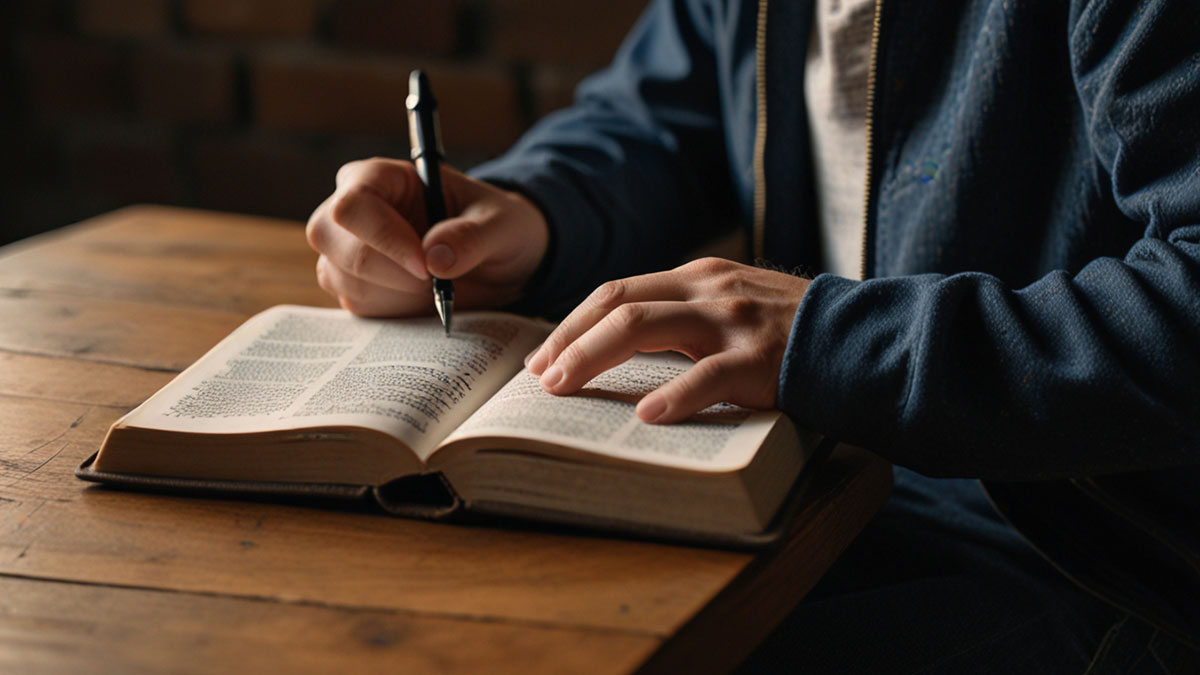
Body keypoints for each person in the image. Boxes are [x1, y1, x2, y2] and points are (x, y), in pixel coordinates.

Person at [306, 0, 1200, 670]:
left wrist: (829, 340)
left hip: (1093, 555)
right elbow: (657, 117)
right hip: (822, 477)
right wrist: (528, 213)